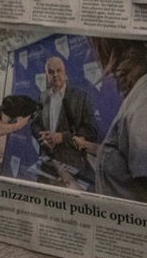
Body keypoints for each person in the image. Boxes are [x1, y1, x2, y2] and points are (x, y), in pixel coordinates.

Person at [73, 39, 147, 203]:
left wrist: (81, 196)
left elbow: (144, 196)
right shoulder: (144, 90)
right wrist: (89, 146)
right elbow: (125, 160)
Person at [32, 56, 98, 188]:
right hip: (47, 165)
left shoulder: (81, 96)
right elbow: (34, 124)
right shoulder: (42, 97)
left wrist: (62, 137)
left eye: (58, 71)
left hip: (71, 169)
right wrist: (42, 137)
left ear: (65, 73)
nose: (55, 75)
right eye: (51, 72)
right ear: (47, 76)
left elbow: (91, 130)